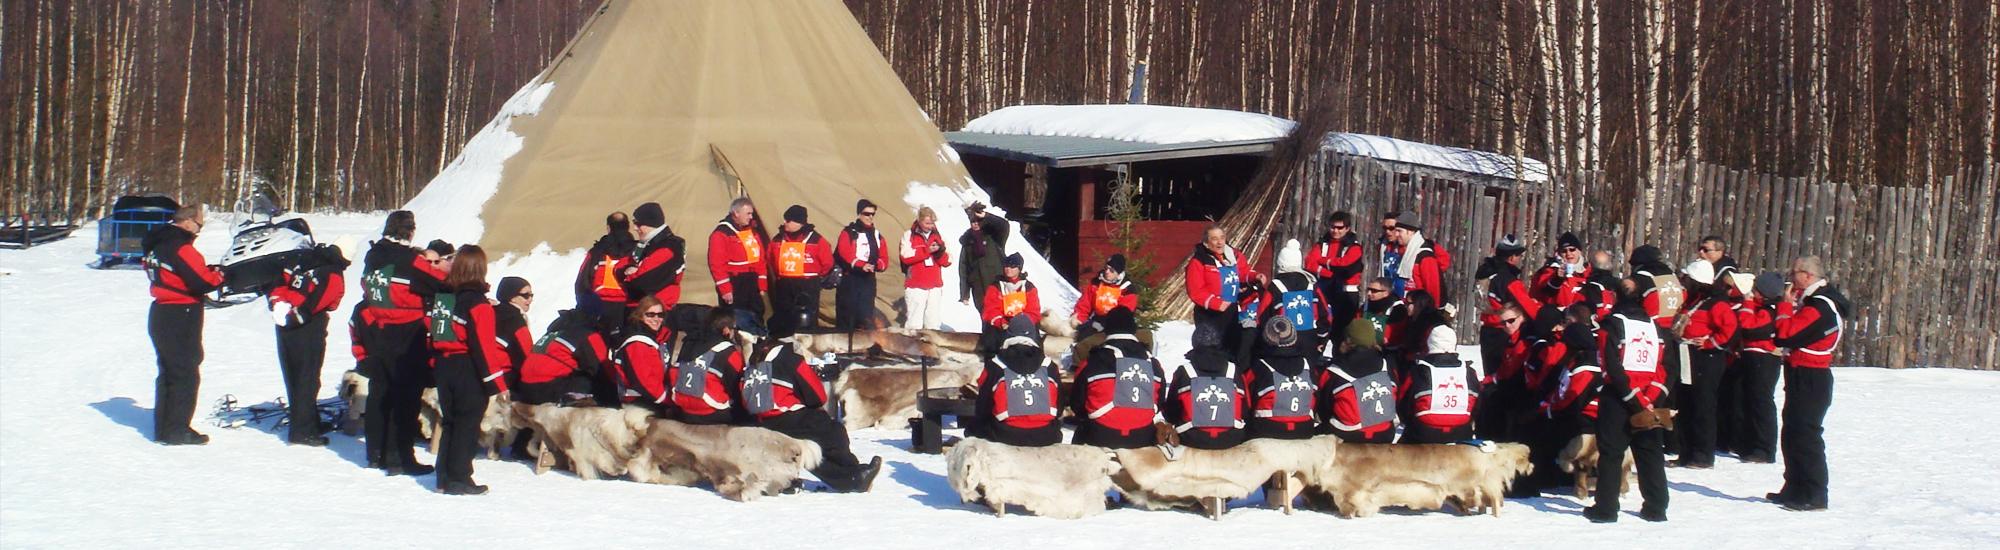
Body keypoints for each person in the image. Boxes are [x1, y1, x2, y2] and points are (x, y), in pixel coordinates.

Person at [358, 211, 448, 475]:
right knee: (406, 396)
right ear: (410, 232)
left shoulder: (373, 255)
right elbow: (439, 283)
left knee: (380, 392)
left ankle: (376, 452)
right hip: (407, 330)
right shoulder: (411, 260)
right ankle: (400, 457)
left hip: (376, 327)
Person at [740, 335, 884, 491]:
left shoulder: (752, 362)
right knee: (833, 433)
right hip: (786, 418)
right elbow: (818, 396)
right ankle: (853, 475)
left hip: (757, 420)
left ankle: (852, 476)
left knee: (808, 447)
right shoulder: (790, 359)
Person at [426, 245, 513, 495]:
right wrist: (496, 382)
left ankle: (443, 475)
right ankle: (460, 477)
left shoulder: (444, 299)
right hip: (467, 367)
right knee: (467, 423)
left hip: (444, 364)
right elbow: (484, 346)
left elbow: (434, 335)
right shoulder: (478, 304)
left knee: (450, 421)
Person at [1585, 278, 1671, 523]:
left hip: (1618, 397)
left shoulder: (1611, 325)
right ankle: (1656, 507)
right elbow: (1668, 367)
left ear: (1616, 297)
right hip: (1650, 399)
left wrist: (1633, 399)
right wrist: (1651, 398)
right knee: (1650, 452)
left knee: (1611, 453)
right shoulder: (1658, 328)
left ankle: (1606, 508)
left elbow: (1612, 365)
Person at [1769, 256, 1849, 512]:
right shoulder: (1812, 302)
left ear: (1808, 276)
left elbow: (1785, 335)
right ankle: (1794, 486)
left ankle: (1814, 493)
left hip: (1811, 375)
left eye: (1795, 273)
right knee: (1791, 432)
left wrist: (1784, 307)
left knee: (1806, 435)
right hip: (1801, 372)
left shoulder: (1821, 305)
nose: (1791, 278)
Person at [143, 204, 224, 446]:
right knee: (185, 371)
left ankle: (165, 427)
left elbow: (181, 273)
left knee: (168, 370)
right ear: (187, 222)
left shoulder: (157, 243)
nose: (199, 231)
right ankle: (178, 428)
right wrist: (219, 276)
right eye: (199, 225)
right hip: (181, 312)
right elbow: (201, 282)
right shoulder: (180, 247)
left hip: (161, 311)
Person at [265, 243, 349, 446]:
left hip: (283, 322)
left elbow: (277, 280)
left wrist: (278, 305)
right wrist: (296, 317)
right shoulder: (333, 274)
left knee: (293, 375)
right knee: (307, 378)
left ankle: (307, 422)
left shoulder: (302, 259)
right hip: (307, 327)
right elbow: (320, 303)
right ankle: (302, 431)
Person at [1067, 308, 1166, 449]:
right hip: (1142, 438)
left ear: (1107, 330)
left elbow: (1077, 404)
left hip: (1100, 436)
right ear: (1133, 330)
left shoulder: (1093, 361)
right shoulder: (1153, 364)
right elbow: (1160, 403)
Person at [1675, 259, 1736, 469]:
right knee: (1686, 402)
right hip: (1688, 354)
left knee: (1703, 404)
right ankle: (1686, 451)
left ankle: (1702, 454)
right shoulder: (1695, 300)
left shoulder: (1717, 303)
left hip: (1706, 358)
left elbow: (1729, 328)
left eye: (1687, 278)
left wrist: (1711, 343)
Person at [967, 336, 1064, 447]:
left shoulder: (995, 364)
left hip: (1005, 433)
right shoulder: (1050, 366)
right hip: (1046, 434)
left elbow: (983, 406)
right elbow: (1060, 405)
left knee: (973, 429)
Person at [1730, 273, 1783, 464]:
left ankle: (1764, 447)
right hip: (1752, 356)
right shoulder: (1764, 308)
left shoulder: (1768, 311)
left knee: (1761, 402)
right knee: (1748, 400)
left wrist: (1748, 303)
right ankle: (1748, 443)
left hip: (1764, 358)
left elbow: (1748, 327)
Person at [1317, 319, 1397, 443]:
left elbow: (1323, 406)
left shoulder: (1335, 371)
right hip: (1385, 432)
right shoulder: (1386, 366)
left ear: (1347, 340)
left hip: (1348, 434)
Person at [1185, 225, 1263, 353]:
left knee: (1231, 348)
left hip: (1231, 310)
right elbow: (1195, 291)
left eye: (1222, 237)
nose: (1220, 242)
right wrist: (1216, 303)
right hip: (1210, 314)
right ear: (1206, 242)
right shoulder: (1199, 262)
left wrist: (1255, 276)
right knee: (1211, 351)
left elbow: (1243, 272)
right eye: (1214, 239)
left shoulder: (1234, 255)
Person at [515, 309, 614, 406]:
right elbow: (602, 369)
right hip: (546, 389)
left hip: (524, 387)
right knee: (595, 385)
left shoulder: (552, 334)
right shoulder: (588, 334)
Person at [1398, 325, 1478, 444]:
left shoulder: (1419, 371)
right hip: (1461, 433)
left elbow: (1403, 404)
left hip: (1423, 434)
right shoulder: (1469, 372)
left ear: (1430, 344)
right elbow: (1478, 404)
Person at [1245, 316, 1320, 440]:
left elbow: (1248, 402)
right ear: (1294, 338)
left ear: (1266, 338)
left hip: (1267, 430)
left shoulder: (1258, 367)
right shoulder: (1308, 365)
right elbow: (1317, 397)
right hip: (1304, 428)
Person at [669, 308, 748, 425]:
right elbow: (737, 386)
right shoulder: (728, 351)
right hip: (712, 411)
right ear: (726, 330)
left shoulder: (688, 343)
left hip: (683, 410)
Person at [767, 205, 833, 339]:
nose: (785, 223)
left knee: (806, 318)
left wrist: (816, 276)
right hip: (784, 283)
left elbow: (827, 262)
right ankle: (784, 344)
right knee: (784, 317)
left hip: (807, 284)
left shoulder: (816, 240)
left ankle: (808, 345)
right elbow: (770, 258)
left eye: (788, 220)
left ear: (799, 222)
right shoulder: (778, 239)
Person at [1163, 346, 1248, 450]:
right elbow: (1245, 409)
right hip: (1231, 438)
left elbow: (1170, 412)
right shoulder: (1235, 371)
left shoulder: (1184, 371)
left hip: (1191, 439)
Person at [1305, 211, 1365, 336]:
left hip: (1346, 292)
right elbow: (1310, 263)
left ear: (1347, 228)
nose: (1335, 231)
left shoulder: (1354, 247)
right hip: (1325, 288)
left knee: (1343, 330)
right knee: (1321, 323)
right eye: (1333, 227)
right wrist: (1331, 271)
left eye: (1340, 228)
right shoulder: (1322, 243)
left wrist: (1323, 262)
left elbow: (1346, 267)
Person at [709, 198, 770, 320]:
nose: (751, 217)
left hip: (752, 281)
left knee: (757, 313)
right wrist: (725, 289)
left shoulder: (751, 232)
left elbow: (759, 258)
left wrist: (762, 284)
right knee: (736, 317)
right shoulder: (721, 234)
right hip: (735, 282)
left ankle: (757, 337)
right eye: (748, 213)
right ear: (736, 213)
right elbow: (716, 264)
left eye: (751, 213)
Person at [576, 212, 636, 333]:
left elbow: (582, 282)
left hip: (599, 305)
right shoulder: (637, 251)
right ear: (628, 227)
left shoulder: (596, 251)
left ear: (608, 227)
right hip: (628, 307)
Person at [1261, 239, 1327, 349]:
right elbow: (1324, 313)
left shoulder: (1275, 286)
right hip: (1310, 339)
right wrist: (1322, 337)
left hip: (1283, 340)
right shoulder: (1311, 284)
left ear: (1280, 264)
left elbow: (1262, 314)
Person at [835, 199, 889, 331]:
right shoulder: (849, 232)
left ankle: (863, 345)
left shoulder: (877, 235)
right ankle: (845, 345)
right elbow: (844, 253)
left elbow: (884, 257)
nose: (870, 217)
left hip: (868, 280)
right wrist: (861, 265)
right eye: (867, 214)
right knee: (847, 314)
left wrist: (876, 265)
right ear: (859, 214)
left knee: (865, 315)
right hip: (850, 279)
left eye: (872, 214)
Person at [612, 297, 673, 412]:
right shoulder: (637, 343)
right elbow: (643, 381)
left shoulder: (655, 339)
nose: (656, 319)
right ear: (639, 316)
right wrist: (666, 399)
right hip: (640, 403)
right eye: (650, 315)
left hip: (651, 399)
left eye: (660, 315)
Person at [899, 206, 952, 330]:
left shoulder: (939, 237)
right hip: (916, 285)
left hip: (934, 285)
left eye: (932, 223)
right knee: (914, 323)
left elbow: (948, 261)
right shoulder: (909, 236)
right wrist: (926, 250)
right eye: (927, 223)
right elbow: (905, 256)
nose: (930, 226)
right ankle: (911, 347)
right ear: (919, 220)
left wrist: (939, 252)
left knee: (933, 322)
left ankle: (931, 346)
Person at [980, 253, 1042, 354]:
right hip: (1002, 323)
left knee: (1034, 340)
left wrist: (1020, 323)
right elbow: (990, 310)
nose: (1008, 268)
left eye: (1013, 266)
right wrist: (1001, 322)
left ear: (1019, 268)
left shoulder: (1029, 288)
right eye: (1006, 265)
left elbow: (1034, 311)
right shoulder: (995, 286)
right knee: (991, 337)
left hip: (1023, 323)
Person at [1073, 254, 1140, 337]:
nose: (1107, 272)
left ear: (1118, 273)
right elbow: (1084, 305)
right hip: (1097, 322)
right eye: (1106, 268)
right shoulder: (1096, 284)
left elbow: (1124, 315)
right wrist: (1077, 321)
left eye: (1111, 270)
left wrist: (1106, 326)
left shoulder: (1127, 290)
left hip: (1118, 327)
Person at [959, 201, 1009, 310]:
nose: (975, 224)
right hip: (978, 287)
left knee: (1001, 316)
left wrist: (987, 216)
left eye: (978, 221)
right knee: (985, 317)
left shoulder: (994, 236)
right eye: (972, 221)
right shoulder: (967, 241)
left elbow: (1004, 225)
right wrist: (964, 293)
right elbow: (964, 268)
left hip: (996, 283)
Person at [1387, 215, 1448, 304]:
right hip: (1405, 305)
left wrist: (1431, 312)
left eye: (1399, 231)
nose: (1396, 234)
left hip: (1419, 308)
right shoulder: (1405, 252)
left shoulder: (1425, 256)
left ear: (1410, 231)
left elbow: (1433, 289)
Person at [1378, 211, 1408, 296]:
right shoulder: (1384, 245)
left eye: (1391, 228)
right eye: (1385, 228)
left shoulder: (1412, 246)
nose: (1387, 232)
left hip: (1405, 294)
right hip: (1388, 292)